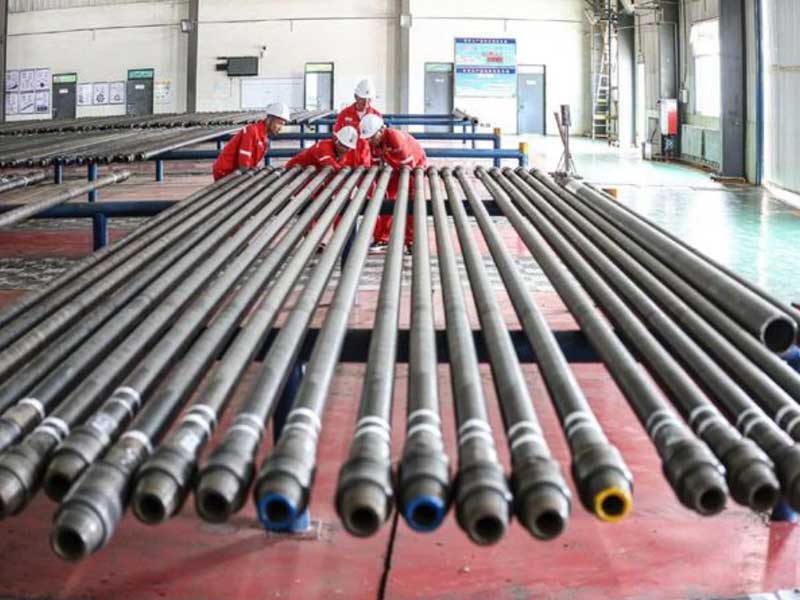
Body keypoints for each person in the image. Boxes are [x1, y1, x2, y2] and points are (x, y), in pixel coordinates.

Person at [360, 114, 426, 248]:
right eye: (367, 138)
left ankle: (412, 240)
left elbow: (408, 166)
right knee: (385, 199)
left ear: (381, 130)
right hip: (396, 167)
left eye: (372, 137)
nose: (370, 141)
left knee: (412, 201)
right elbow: (375, 165)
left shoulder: (395, 138)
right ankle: (384, 237)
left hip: (413, 167)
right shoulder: (373, 143)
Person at [212, 102, 291, 181]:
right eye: (279, 123)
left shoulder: (264, 139)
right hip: (225, 172)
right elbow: (244, 165)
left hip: (235, 172)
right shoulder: (252, 131)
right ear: (269, 119)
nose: (281, 128)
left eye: (283, 124)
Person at [285, 126, 370, 170]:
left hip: (310, 175)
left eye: (348, 148)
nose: (345, 150)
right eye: (343, 145)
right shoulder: (323, 147)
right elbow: (331, 165)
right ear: (336, 140)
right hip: (293, 172)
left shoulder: (343, 154)